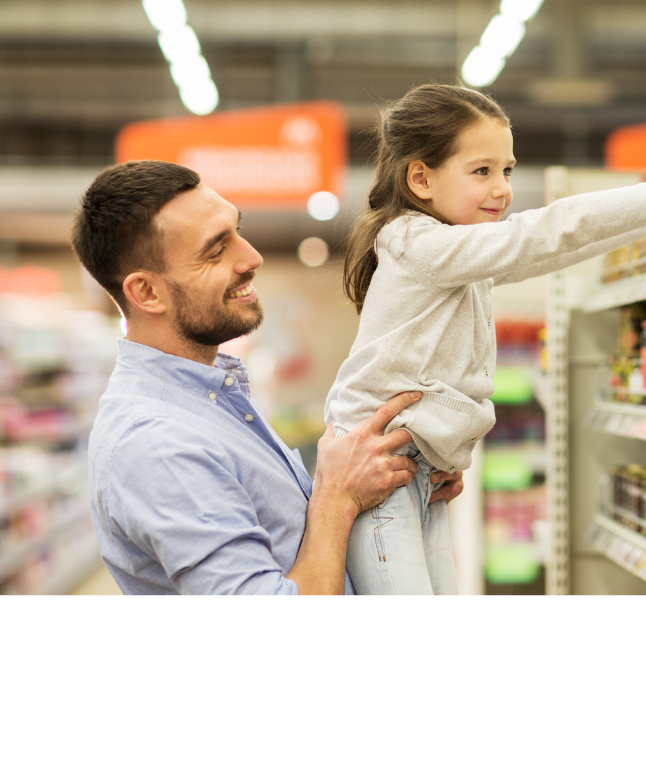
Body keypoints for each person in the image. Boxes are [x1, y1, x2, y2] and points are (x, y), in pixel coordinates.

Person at [327, 81, 646, 595]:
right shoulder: (415, 243)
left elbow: (554, 251)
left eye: (506, 170)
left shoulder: (455, 254)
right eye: (482, 171)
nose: (502, 188)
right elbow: (546, 233)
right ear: (420, 178)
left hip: (417, 472)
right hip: (378, 470)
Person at [73, 160, 461, 595]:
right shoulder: (157, 444)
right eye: (216, 249)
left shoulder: (210, 395)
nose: (252, 257)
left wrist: (384, 482)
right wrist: (337, 498)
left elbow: (286, 539)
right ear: (146, 292)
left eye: (237, 230)